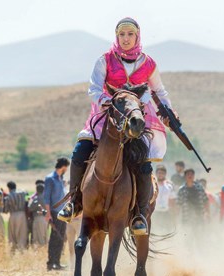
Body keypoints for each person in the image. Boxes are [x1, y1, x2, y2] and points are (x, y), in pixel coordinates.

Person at [57, 17, 174, 235]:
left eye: (130, 34)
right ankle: (75, 202)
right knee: (79, 152)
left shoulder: (149, 64)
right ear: (116, 36)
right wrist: (110, 102)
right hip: (105, 121)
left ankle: (139, 213)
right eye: (122, 34)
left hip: (135, 124)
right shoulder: (105, 60)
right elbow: (93, 89)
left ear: (137, 36)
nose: (126, 38)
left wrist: (169, 114)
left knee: (144, 164)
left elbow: (159, 92)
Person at [44, 157, 70, 270]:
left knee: (61, 237)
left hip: (62, 212)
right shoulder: (50, 179)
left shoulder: (60, 179)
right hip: (54, 212)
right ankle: (51, 262)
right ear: (64, 167)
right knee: (55, 237)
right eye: (66, 168)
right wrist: (48, 213)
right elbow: (46, 198)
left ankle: (57, 262)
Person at [176, 169, 209, 246]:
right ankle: (189, 256)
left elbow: (206, 201)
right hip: (186, 218)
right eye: (188, 174)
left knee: (200, 240)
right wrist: (176, 217)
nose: (190, 176)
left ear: (194, 176)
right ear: (185, 176)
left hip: (199, 218)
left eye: (191, 174)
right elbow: (178, 204)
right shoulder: (181, 189)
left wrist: (208, 213)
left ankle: (201, 256)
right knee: (188, 240)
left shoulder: (200, 188)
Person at [4, 181, 28, 253]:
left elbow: (5, 210)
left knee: (12, 234)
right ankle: (21, 250)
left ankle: (13, 251)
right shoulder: (22, 193)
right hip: (22, 214)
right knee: (22, 233)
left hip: (13, 215)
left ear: (8, 188)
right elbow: (26, 193)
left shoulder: (8, 196)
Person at [151, 165, 174, 234]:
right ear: (156, 174)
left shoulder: (169, 186)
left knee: (167, 231)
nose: (160, 175)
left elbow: (172, 200)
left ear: (165, 174)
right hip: (155, 212)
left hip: (166, 212)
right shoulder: (152, 186)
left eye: (162, 173)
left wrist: (173, 212)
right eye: (159, 173)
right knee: (154, 231)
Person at [28, 180, 48, 246]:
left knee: (38, 236)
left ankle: (40, 252)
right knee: (44, 235)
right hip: (45, 219)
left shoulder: (36, 198)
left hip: (38, 218)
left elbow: (30, 208)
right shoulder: (46, 198)